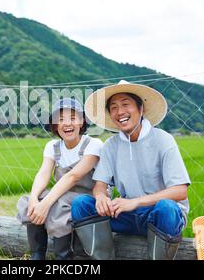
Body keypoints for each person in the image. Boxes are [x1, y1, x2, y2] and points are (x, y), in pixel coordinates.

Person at [71, 80, 191, 260]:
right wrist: (101, 197)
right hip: (126, 213)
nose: (120, 112)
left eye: (126, 104)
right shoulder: (111, 145)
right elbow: (100, 185)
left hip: (158, 216)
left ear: (141, 109)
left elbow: (180, 191)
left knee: (167, 207)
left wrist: (136, 202)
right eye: (113, 107)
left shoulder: (163, 140)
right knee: (81, 203)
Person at [17, 98, 103, 260]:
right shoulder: (52, 146)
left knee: (56, 205)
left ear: (81, 121)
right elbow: (44, 172)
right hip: (61, 193)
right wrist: (35, 199)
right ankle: (37, 254)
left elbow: (73, 176)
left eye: (72, 118)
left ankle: (63, 257)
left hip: (86, 197)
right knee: (29, 200)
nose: (67, 123)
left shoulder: (93, 144)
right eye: (60, 119)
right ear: (55, 124)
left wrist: (46, 204)